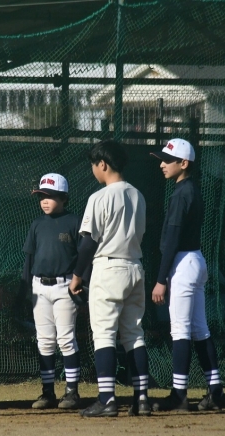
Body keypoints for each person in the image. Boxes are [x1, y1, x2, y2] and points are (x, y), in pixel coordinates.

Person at [70, 139, 151, 418]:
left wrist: (77, 276)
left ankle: (107, 399)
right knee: (134, 335)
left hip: (108, 268)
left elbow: (88, 244)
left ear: (102, 164)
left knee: (104, 334)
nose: (94, 170)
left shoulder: (99, 197)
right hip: (135, 267)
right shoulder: (138, 195)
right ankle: (142, 398)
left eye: (94, 165)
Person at [150, 138, 225, 412]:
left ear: (184, 163)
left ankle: (179, 395)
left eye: (167, 160)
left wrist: (160, 279)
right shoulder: (192, 189)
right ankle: (216, 392)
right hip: (195, 259)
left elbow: (172, 238)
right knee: (199, 330)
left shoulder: (180, 194)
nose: (162, 164)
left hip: (183, 263)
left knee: (181, 330)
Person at [20, 173, 82, 410]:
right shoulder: (37, 224)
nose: (44, 201)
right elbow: (29, 259)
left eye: (50, 196)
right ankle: (47, 392)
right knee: (45, 341)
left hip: (65, 286)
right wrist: (25, 289)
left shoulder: (74, 222)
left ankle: (72, 392)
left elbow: (84, 256)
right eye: (41, 196)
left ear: (64, 198)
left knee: (66, 339)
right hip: (39, 286)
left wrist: (82, 283)